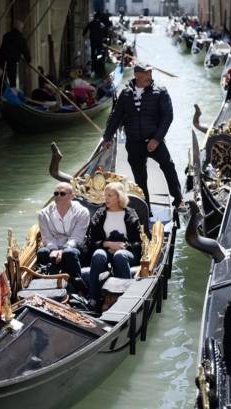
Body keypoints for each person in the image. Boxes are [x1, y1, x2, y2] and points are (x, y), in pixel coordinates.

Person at [102, 64, 183, 209]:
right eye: (146, 73)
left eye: (150, 72)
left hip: (154, 141)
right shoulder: (125, 94)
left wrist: (157, 139)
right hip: (134, 143)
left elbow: (168, 116)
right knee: (140, 178)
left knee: (168, 165)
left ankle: (178, 199)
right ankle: (146, 208)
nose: (149, 76)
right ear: (136, 75)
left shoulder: (160, 91)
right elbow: (116, 117)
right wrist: (107, 137)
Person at [84, 182, 142, 311]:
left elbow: (138, 242)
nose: (106, 198)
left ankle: (126, 297)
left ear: (119, 197)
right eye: (105, 195)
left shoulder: (131, 214)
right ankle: (93, 297)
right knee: (98, 255)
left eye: (110, 195)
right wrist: (107, 244)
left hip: (126, 252)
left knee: (120, 255)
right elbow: (91, 240)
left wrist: (123, 246)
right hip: (105, 250)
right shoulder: (100, 214)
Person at [37, 182, 90, 287]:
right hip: (53, 247)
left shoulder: (82, 212)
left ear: (72, 196)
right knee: (42, 252)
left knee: (69, 253)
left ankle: (78, 286)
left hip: (75, 247)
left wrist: (63, 250)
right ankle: (47, 284)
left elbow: (77, 237)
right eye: (56, 193)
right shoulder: (43, 214)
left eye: (62, 193)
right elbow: (47, 237)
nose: (58, 196)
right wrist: (54, 249)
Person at [0, 20, 31, 88]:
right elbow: (26, 52)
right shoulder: (21, 39)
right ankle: (11, 94)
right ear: (20, 29)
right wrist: (28, 60)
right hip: (11, 62)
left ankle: (4, 92)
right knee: (12, 82)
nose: (22, 30)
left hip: (2, 60)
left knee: (2, 80)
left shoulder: (6, 35)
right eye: (22, 28)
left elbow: (3, 49)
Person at [83, 12, 107, 77]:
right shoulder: (101, 24)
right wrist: (104, 37)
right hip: (99, 42)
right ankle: (100, 69)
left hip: (93, 42)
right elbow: (105, 32)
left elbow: (85, 30)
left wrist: (84, 35)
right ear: (99, 18)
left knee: (93, 56)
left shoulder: (91, 23)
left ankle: (93, 69)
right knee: (100, 55)